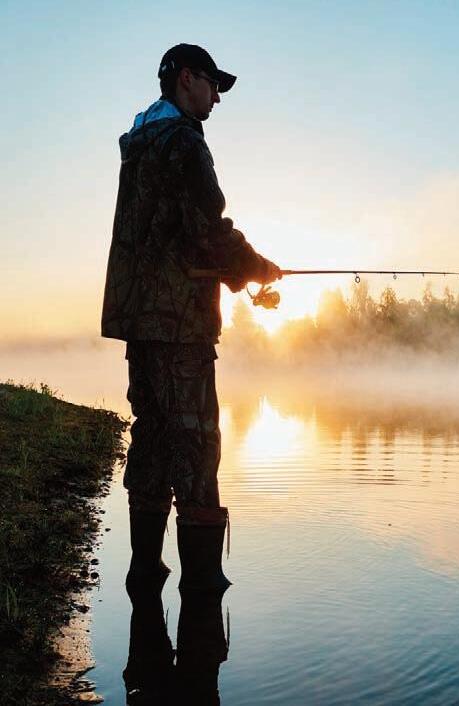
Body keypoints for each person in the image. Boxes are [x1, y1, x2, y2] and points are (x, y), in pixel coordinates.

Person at [101, 44, 280, 592]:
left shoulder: (139, 144)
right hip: (181, 323)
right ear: (186, 79)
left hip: (141, 321)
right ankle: (203, 588)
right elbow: (208, 228)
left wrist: (239, 272)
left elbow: (170, 234)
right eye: (213, 85)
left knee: (152, 437)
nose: (217, 98)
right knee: (198, 443)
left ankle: (144, 572)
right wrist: (258, 268)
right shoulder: (182, 140)